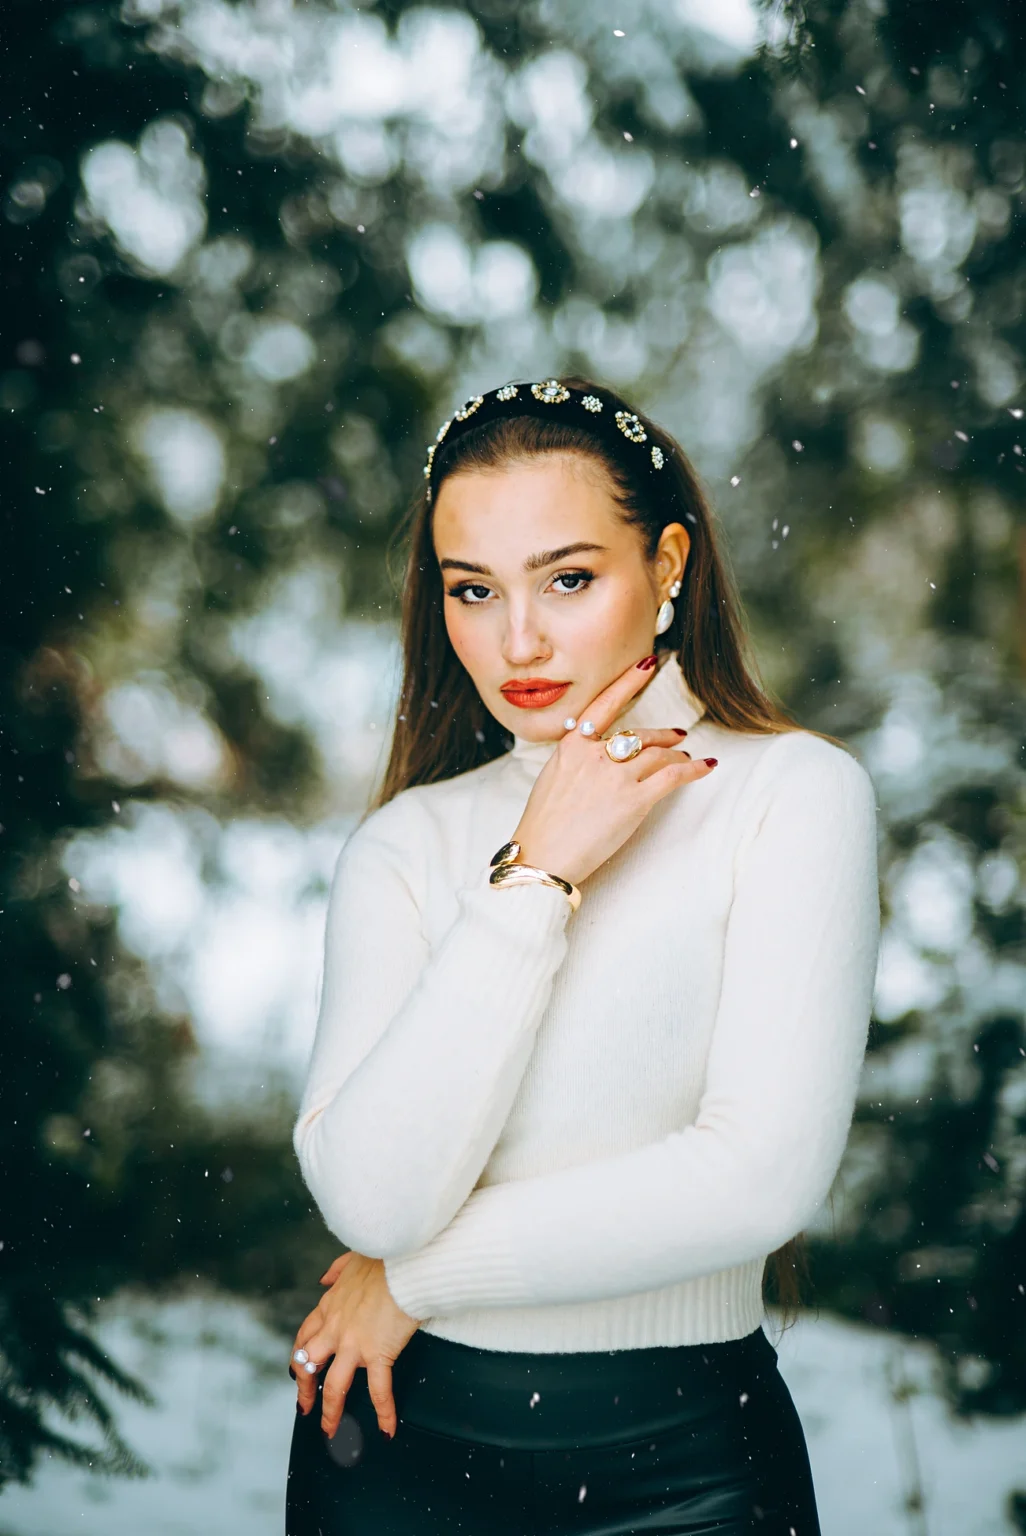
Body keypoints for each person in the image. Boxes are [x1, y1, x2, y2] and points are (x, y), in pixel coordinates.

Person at [284, 376, 880, 1535]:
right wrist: (535, 878)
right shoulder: (407, 841)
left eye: (567, 579)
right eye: (473, 589)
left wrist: (417, 1281)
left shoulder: (791, 795)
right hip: (395, 1453)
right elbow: (372, 1198)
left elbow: (760, 1176)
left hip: (692, 1468)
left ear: (668, 564)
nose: (518, 641)